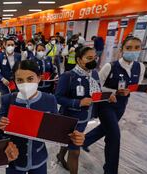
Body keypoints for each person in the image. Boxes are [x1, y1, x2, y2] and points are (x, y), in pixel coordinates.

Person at [83, 36, 147, 174]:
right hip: (105, 104)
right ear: (122, 49)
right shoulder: (110, 66)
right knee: (114, 136)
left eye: (136, 48)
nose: (133, 51)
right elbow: (95, 86)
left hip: (122, 105)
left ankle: (84, 141)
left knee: (106, 128)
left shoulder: (140, 67)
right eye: (129, 48)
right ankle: (110, 170)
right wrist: (114, 91)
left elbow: (135, 86)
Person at [0, 60, 85, 174]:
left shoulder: (49, 99)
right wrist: (0, 125)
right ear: (14, 81)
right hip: (14, 160)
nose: (25, 84)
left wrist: (74, 137)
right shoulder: (8, 99)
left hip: (38, 159)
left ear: (39, 78)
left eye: (30, 79)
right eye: (19, 80)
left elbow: (57, 127)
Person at [55, 46, 105, 174]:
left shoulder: (94, 73)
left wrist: (107, 98)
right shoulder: (68, 76)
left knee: (68, 141)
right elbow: (58, 97)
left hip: (84, 119)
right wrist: (78, 102)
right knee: (75, 151)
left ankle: (60, 156)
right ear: (79, 60)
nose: (93, 61)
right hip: (69, 118)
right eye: (89, 58)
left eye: (95, 58)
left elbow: (96, 93)